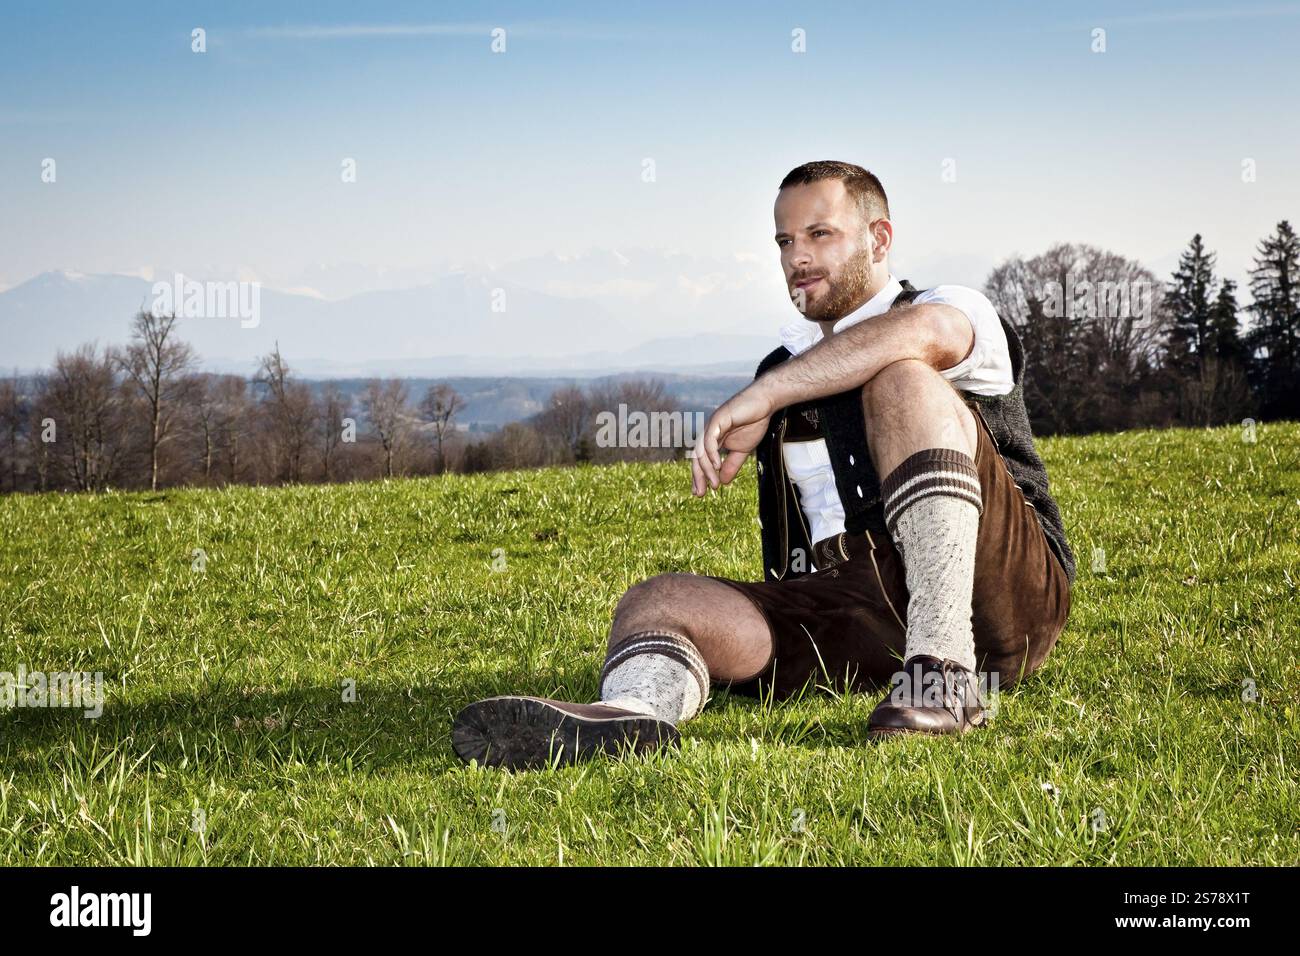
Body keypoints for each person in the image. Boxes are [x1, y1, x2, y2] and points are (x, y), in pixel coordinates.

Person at [452, 160, 1074, 770]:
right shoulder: (784, 362)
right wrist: (774, 390)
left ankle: (942, 674)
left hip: (1000, 595)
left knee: (902, 380)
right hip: (854, 610)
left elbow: (923, 333)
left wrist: (771, 393)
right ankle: (631, 714)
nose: (796, 258)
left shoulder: (948, 307)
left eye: (819, 234)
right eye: (784, 241)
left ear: (879, 238)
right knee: (659, 598)